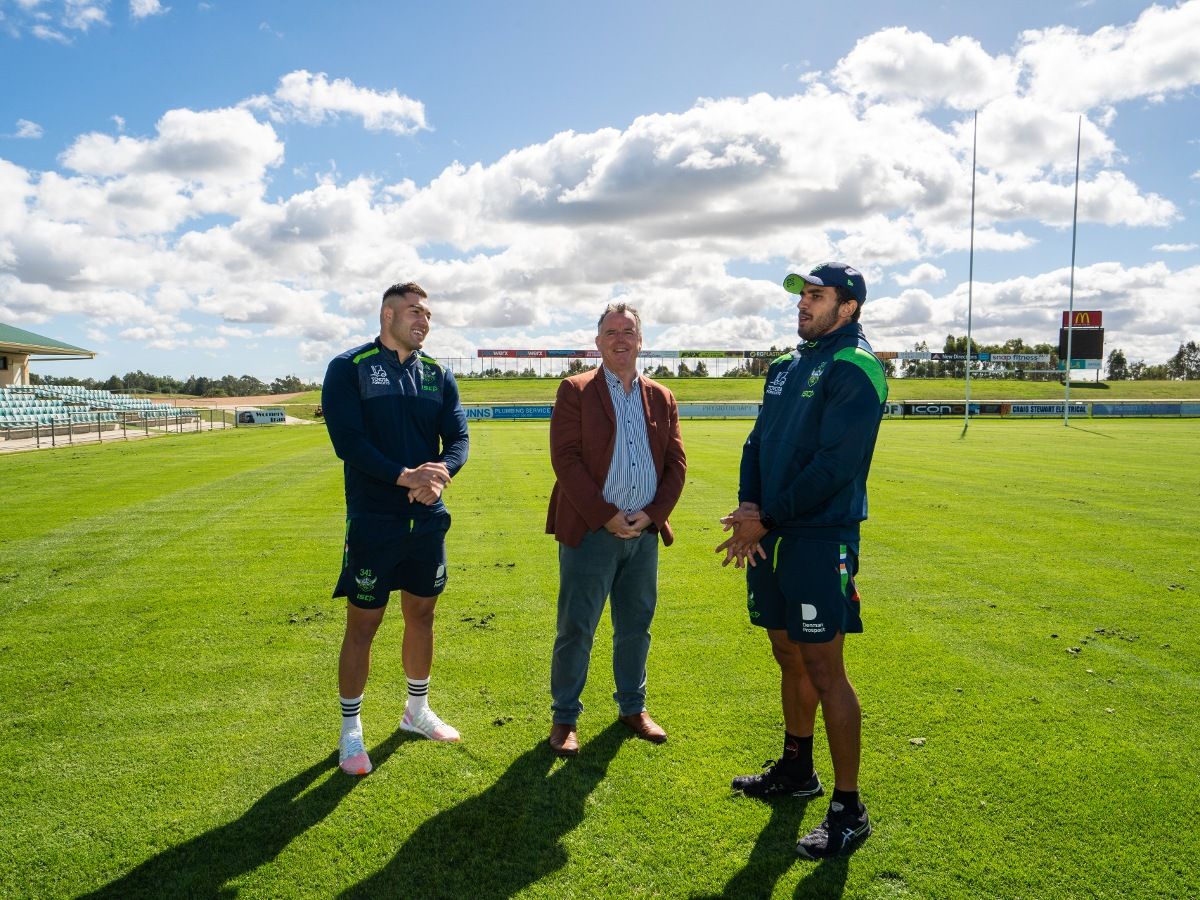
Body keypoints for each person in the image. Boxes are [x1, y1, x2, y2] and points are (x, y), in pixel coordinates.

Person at [716, 262, 887, 859]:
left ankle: (849, 807)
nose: (803, 305)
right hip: (775, 530)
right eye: (801, 297)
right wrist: (748, 506)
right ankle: (796, 769)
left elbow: (837, 465)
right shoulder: (788, 366)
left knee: (824, 665)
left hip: (819, 535)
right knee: (785, 649)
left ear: (850, 307)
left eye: (817, 297)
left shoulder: (857, 367)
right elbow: (757, 443)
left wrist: (769, 516)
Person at [322, 281, 469, 775]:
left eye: (427, 313)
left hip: (426, 519)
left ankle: (416, 712)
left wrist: (440, 474)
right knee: (364, 623)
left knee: (422, 616)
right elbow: (348, 441)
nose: (423, 320)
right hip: (374, 520)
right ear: (387, 315)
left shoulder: (437, 375)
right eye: (413, 312)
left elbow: (460, 438)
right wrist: (405, 476)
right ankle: (350, 731)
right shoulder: (350, 368)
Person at [545, 303, 687, 756]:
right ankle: (565, 718)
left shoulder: (662, 397)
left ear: (640, 341)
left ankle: (633, 707)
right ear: (598, 341)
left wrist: (652, 514)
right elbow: (565, 460)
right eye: (611, 331)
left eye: (628, 331)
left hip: (643, 534)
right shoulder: (575, 390)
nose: (620, 339)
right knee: (577, 628)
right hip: (592, 532)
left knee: (636, 627)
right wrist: (605, 515)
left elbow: (676, 465)